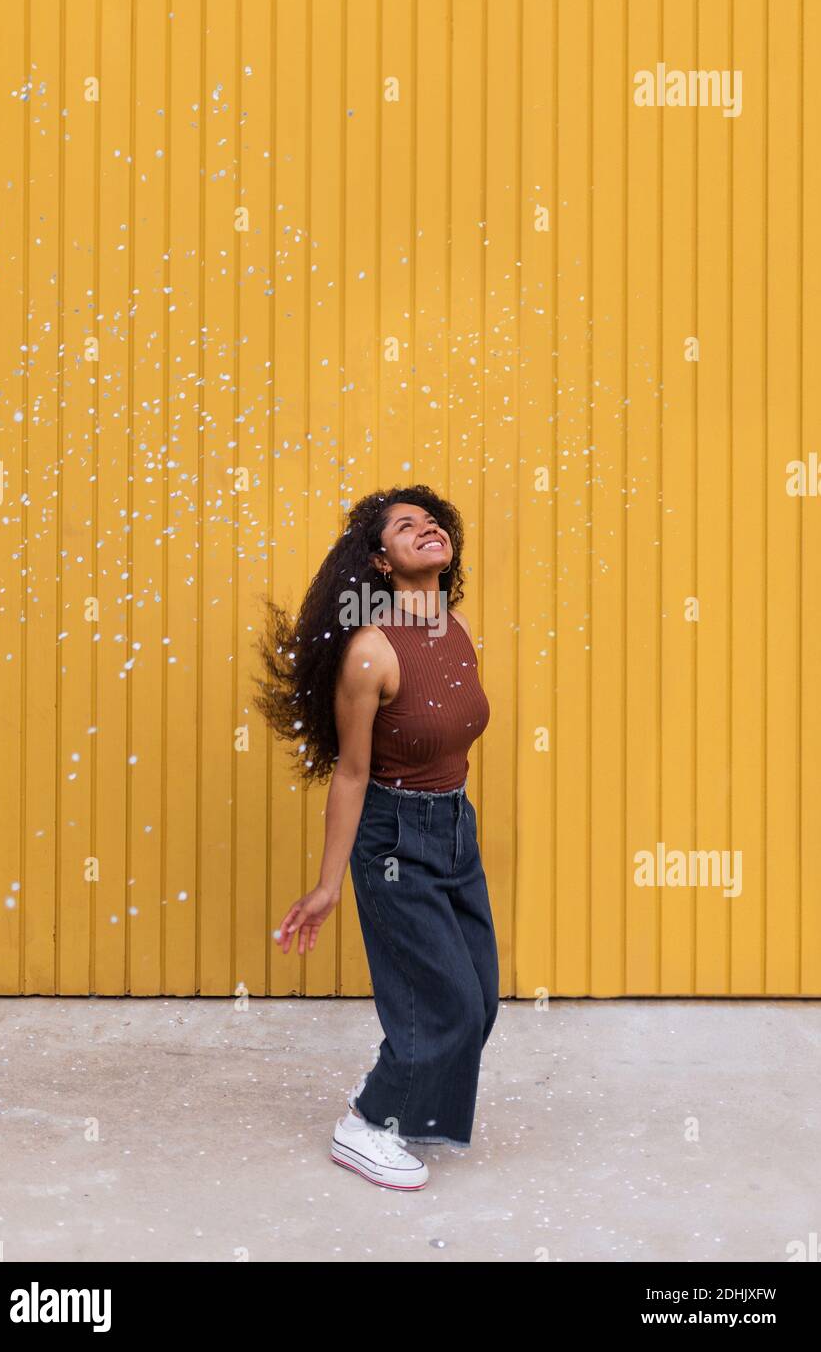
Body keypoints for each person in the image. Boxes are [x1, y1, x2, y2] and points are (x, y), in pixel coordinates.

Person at [255, 485, 499, 1190]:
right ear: (382, 562)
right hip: (396, 838)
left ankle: (409, 1110)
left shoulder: (454, 630)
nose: (426, 529)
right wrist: (330, 884)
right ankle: (366, 1124)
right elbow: (353, 773)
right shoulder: (371, 651)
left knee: (479, 1002)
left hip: (456, 827)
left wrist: (452, 823)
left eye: (432, 522)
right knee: (446, 1002)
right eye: (405, 527)